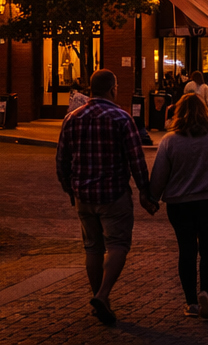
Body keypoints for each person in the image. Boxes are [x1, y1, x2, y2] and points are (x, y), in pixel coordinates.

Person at [55, 69, 156, 326]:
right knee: (118, 244)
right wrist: (145, 191)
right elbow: (136, 160)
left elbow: (62, 160)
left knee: (92, 248)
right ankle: (102, 294)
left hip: (83, 196)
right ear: (112, 89)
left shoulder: (72, 118)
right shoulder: (121, 118)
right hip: (113, 194)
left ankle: (99, 297)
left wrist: (70, 189)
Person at [149, 93, 208, 320]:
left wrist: (152, 198)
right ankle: (205, 292)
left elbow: (159, 176)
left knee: (186, 250)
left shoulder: (170, 140)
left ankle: (190, 302)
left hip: (180, 204)